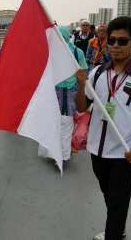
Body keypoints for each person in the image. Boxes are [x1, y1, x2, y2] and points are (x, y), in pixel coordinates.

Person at [76, 16, 131, 240]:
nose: (115, 45)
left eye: (122, 41)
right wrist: (80, 84)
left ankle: (114, 233)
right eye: (112, 40)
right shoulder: (97, 74)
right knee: (110, 196)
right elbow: (82, 106)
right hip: (97, 149)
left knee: (117, 201)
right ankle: (118, 227)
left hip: (125, 153)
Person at [53, 26, 88, 162]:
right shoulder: (76, 51)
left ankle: (61, 154)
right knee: (65, 122)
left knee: (63, 121)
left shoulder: (74, 52)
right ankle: (61, 154)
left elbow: (83, 72)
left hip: (64, 91)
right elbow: (84, 71)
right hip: (66, 90)